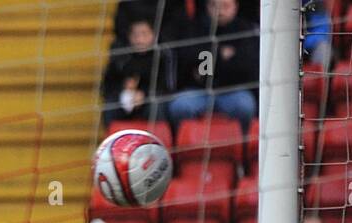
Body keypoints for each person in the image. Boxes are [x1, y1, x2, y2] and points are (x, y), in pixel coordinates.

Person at [165, 0, 259, 134]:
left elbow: (245, 68)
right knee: (179, 106)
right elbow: (193, 63)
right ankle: (183, 148)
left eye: (225, 6)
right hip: (199, 91)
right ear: (207, 7)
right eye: (215, 6)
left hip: (233, 91)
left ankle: (244, 150)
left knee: (245, 106)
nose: (220, 11)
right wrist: (222, 56)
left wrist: (211, 57)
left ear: (235, 7)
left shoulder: (246, 30)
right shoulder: (195, 29)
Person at [100, 16, 175, 124]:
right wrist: (123, 91)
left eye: (144, 34)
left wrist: (144, 95)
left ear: (154, 35)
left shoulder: (163, 56)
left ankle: (158, 139)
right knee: (110, 107)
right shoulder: (121, 58)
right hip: (125, 101)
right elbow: (106, 87)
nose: (140, 40)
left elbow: (168, 87)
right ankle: (115, 140)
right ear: (129, 37)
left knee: (156, 107)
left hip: (151, 101)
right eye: (135, 35)